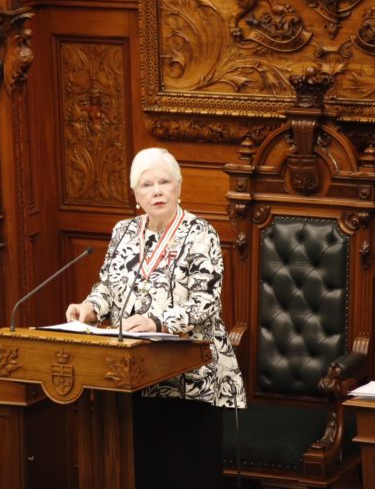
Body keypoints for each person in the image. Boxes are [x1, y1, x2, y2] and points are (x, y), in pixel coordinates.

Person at [65, 147, 245, 488]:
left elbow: (206, 302)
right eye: (147, 185)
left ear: (178, 187)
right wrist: (90, 307)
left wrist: (157, 323)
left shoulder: (200, 233)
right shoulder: (123, 231)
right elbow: (108, 285)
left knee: (187, 474)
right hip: (135, 372)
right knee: (145, 471)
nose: (157, 191)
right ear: (136, 195)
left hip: (192, 374)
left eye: (165, 182)